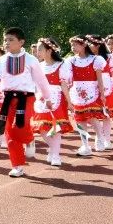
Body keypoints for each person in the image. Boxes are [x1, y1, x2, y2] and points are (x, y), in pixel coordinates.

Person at [0, 28, 55, 177]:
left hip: (26, 98)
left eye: (11, 39)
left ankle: (29, 139)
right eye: (5, 40)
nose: (6, 43)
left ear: (21, 42)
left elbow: (41, 81)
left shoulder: (31, 59)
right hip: (8, 99)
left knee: (21, 126)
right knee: (10, 132)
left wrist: (48, 98)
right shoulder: (2, 60)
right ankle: (17, 166)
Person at [32, 38, 71, 167]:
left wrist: (69, 102)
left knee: (55, 127)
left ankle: (55, 155)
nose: (37, 52)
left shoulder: (61, 65)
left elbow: (64, 84)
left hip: (56, 98)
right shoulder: (38, 66)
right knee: (42, 128)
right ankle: (53, 149)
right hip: (41, 98)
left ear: (49, 50)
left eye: (40, 49)